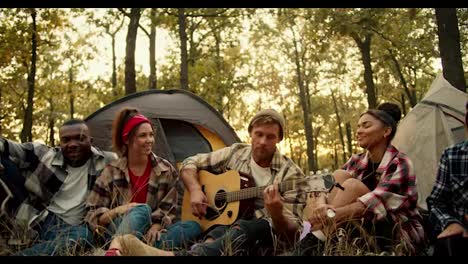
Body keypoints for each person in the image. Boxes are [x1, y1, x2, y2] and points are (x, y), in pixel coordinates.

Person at [104, 108, 309, 256]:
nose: (263, 142)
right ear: (251, 133)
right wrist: (195, 190)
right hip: (226, 228)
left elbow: (291, 234)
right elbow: (190, 162)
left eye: (270, 137)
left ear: (279, 139)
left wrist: (277, 213)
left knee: (253, 226)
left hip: (262, 235)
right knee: (211, 229)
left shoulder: (292, 176)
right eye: (259, 134)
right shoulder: (236, 153)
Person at [299, 102, 426, 255]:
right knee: (339, 176)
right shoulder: (357, 161)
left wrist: (332, 214)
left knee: (352, 186)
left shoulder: (400, 163)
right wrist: (322, 207)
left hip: (394, 234)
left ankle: (311, 243)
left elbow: (373, 204)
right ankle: (314, 240)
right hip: (361, 228)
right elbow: (320, 186)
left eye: (366, 126)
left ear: (386, 131)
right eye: (358, 126)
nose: (358, 131)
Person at [84, 107, 200, 255]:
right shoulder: (111, 170)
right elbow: (94, 216)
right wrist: (122, 210)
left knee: (193, 227)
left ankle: (131, 250)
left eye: (151, 135)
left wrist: (156, 225)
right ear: (127, 139)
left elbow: (168, 211)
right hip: (118, 229)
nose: (149, 140)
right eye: (143, 136)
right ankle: (119, 246)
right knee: (142, 210)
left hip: (150, 234)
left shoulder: (165, 169)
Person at [0, 119, 117, 256]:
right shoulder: (45, 154)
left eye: (80, 138)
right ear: (59, 143)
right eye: (66, 140)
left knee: (83, 236)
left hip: (77, 227)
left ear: (91, 141)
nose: (73, 144)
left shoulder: (107, 161)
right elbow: (6, 145)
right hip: (43, 220)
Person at [426, 101, 468, 256]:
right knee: (446, 244)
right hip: (462, 232)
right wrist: (451, 223)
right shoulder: (453, 155)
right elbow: (437, 201)